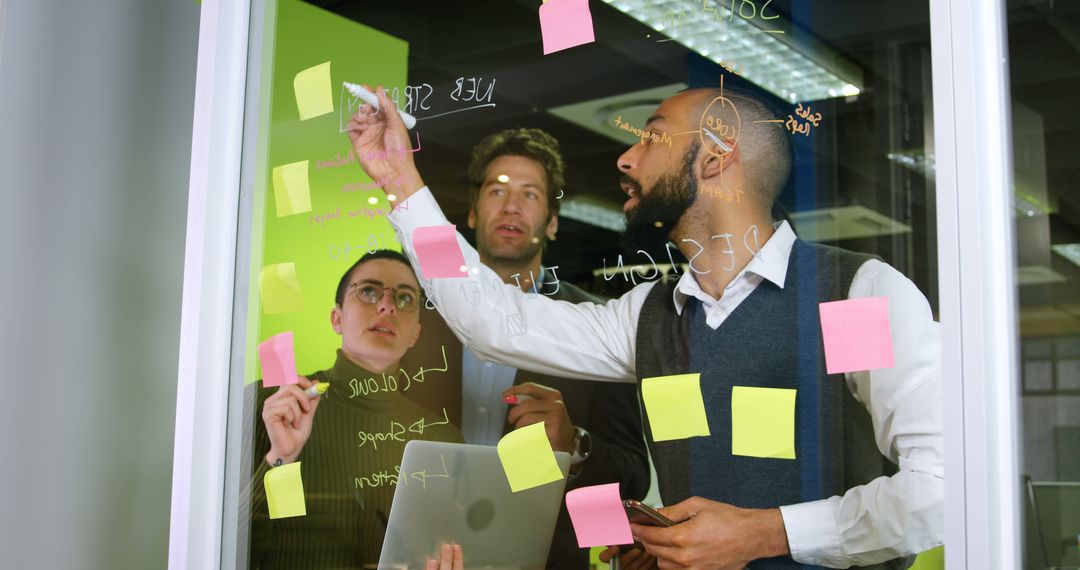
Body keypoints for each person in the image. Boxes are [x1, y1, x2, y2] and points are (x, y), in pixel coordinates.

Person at [345, 85, 944, 569]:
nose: (625, 158)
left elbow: (938, 491)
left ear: (714, 155)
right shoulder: (651, 316)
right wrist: (401, 181)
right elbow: (490, 318)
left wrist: (763, 534)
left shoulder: (852, 297)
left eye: (652, 137)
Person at [397, 127, 652, 569]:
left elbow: (631, 478)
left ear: (552, 222)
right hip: (422, 555)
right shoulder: (415, 323)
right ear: (473, 214)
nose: (511, 205)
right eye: (497, 191)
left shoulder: (596, 327)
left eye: (530, 194)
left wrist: (575, 446)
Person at [247, 250, 465, 569]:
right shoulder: (274, 406)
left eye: (405, 298)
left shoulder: (441, 438)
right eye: (368, 291)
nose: (387, 305)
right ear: (337, 318)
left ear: (416, 333)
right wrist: (279, 459)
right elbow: (222, 550)